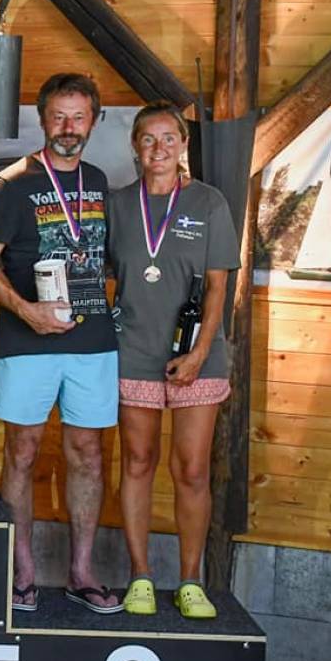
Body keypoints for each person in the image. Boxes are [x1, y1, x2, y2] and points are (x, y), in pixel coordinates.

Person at [0, 73, 122, 615]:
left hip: (92, 341)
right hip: (25, 339)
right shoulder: (12, 184)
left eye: (78, 117)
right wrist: (26, 311)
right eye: (59, 116)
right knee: (22, 450)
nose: (68, 127)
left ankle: (82, 572)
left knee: (88, 453)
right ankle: (22, 573)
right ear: (42, 120)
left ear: (94, 121)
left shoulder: (99, 182)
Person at [107, 101, 240, 619]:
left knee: (191, 470)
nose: (158, 148)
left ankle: (190, 581)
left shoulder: (209, 203)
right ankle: (140, 577)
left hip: (196, 358)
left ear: (184, 144)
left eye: (168, 139)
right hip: (134, 352)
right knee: (138, 461)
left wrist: (199, 352)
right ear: (135, 146)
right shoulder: (119, 205)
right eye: (148, 139)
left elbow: (218, 288)